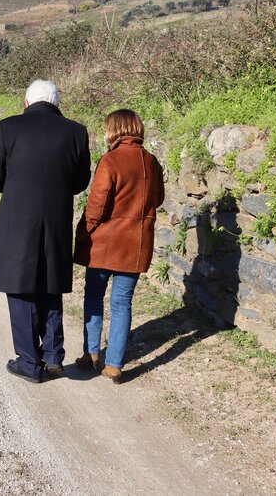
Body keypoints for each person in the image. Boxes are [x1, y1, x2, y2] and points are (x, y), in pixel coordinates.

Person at [0, 80, 91, 383]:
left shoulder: (9, 127)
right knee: (51, 284)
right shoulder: (76, 132)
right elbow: (81, 180)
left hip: (18, 219)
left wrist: (14, 189)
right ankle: (55, 357)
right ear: (57, 103)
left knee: (21, 289)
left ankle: (30, 362)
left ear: (26, 102)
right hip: (57, 219)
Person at [73, 109, 165, 384]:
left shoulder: (110, 160)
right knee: (122, 302)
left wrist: (85, 231)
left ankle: (91, 355)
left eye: (106, 128)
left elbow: (96, 205)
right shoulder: (151, 161)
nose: (104, 133)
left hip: (104, 242)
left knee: (93, 297)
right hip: (135, 244)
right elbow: (158, 199)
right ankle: (114, 364)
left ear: (115, 130)